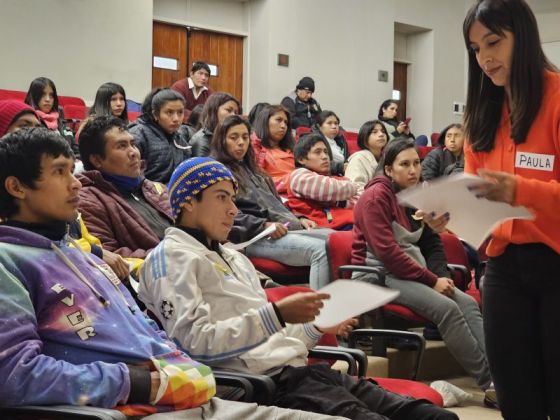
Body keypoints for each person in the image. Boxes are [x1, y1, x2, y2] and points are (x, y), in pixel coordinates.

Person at [0, 127, 342, 420]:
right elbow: (13, 375)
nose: (76, 184)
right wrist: (139, 382)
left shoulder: (78, 253)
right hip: (134, 408)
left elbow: (147, 331)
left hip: (192, 398)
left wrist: (181, 372)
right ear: (17, 187)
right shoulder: (9, 261)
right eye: (60, 172)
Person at [139, 156, 458, 420]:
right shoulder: (170, 258)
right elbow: (193, 343)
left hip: (303, 373)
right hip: (264, 386)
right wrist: (275, 315)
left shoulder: (235, 259)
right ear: (188, 203)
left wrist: (313, 326)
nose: (233, 210)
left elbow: (277, 340)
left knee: (434, 417)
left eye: (233, 199)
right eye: (221, 197)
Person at [463, 0, 560, 416]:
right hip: (502, 272)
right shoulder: (483, 111)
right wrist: (451, 214)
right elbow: (474, 193)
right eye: (475, 48)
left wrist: (520, 189)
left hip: (555, 265)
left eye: (493, 42)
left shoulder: (556, 97)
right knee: (517, 403)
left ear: (523, 37)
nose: (484, 57)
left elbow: (516, 190)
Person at [351, 138, 494, 401]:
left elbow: (433, 245)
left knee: (467, 303)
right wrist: (431, 281)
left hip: (410, 274)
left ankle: (501, 374)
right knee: (447, 309)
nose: (413, 170)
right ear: (388, 170)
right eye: (404, 164)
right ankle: (491, 384)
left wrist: (441, 275)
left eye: (416, 163)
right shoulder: (375, 197)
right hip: (376, 274)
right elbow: (388, 254)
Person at [211, 115, 333, 290]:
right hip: (253, 238)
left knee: (335, 239)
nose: (241, 143)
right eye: (233, 137)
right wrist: (264, 225)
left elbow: (276, 204)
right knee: (321, 250)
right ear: (221, 140)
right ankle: (324, 315)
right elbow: (226, 215)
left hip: (283, 228)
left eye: (245, 137)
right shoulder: (218, 172)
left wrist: (299, 217)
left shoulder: (255, 171)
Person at [78, 115, 173, 259]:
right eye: (121, 146)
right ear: (97, 160)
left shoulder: (153, 187)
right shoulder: (88, 201)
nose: (134, 152)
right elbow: (110, 259)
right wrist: (173, 255)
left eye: (133, 144)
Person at [288, 134, 359, 230]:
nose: (325, 156)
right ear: (301, 159)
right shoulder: (298, 176)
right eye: (318, 152)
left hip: (345, 222)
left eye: (326, 152)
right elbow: (327, 189)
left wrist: (339, 200)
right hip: (322, 228)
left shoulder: (333, 178)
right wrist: (351, 189)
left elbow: (361, 199)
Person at [128, 88, 191, 184]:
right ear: (156, 114)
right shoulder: (138, 134)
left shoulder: (180, 138)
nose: (176, 119)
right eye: (169, 112)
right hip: (146, 194)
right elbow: (129, 175)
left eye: (180, 112)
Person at [24, 76, 79, 156]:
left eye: (51, 95)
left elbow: (75, 148)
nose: (48, 99)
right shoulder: (29, 121)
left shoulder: (60, 118)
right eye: (42, 94)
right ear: (34, 97)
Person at [251, 104, 295, 194]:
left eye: (286, 122)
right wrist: (294, 180)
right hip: (275, 197)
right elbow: (259, 182)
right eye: (278, 120)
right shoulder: (255, 147)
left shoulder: (291, 148)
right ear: (265, 121)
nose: (283, 126)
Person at [190, 92, 240, 157]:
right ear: (214, 110)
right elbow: (204, 166)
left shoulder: (227, 137)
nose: (233, 115)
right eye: (229, 110)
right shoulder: (201, 140)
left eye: (236, 112)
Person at [345, 120, 389, 188]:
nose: (381, 134)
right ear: (365, 139)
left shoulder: (386, 158)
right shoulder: (358, 159)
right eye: (374, 132)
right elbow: (356, 188)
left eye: (383, 131)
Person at [308, 110, 349, 175]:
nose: (334, 126)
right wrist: (341, 167)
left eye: (336, 123)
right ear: (319, 126)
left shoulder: (341, 141)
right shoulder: (313, 140)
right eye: (329, 123)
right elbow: (316, 163)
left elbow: (347, 160)